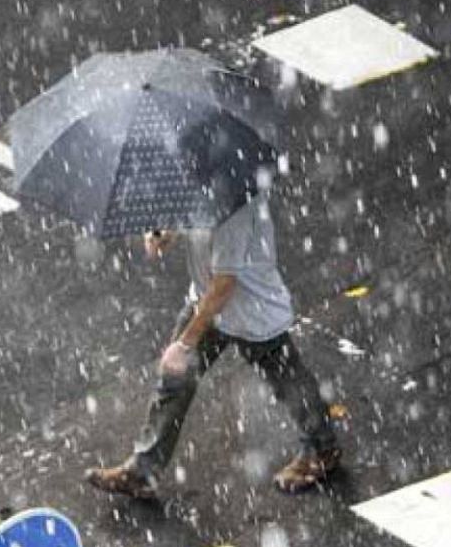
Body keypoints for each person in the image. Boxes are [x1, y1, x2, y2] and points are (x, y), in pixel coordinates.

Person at [84, 197, 340, 499]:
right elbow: (199, 223)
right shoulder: (201, 187)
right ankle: (143, 470)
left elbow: (225, 284)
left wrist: (185, 343)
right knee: (174, 381)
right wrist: (169, 231)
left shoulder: (235, 208)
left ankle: (321, 449)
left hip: (249, 312)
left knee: (287, 379)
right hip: (209, 303)